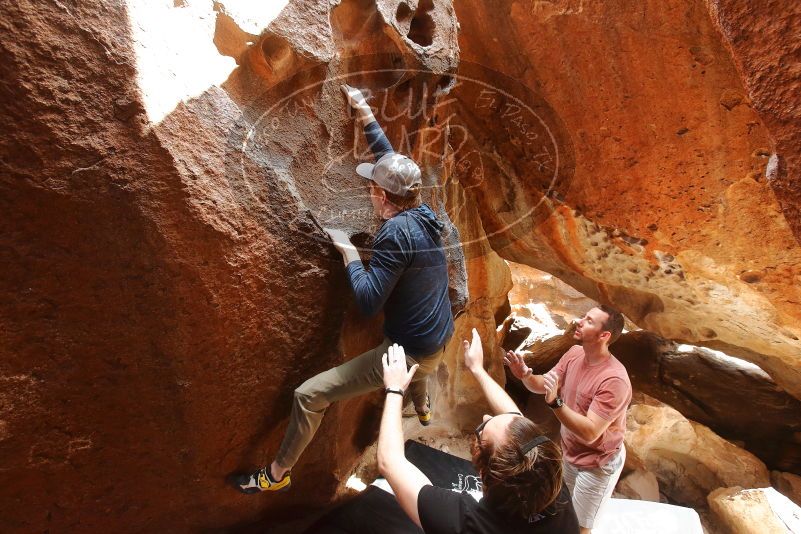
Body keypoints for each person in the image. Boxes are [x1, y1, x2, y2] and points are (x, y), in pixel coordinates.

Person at [233, 84, 454, 493]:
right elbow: (389, 158)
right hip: (439, 333)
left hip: (407, 353)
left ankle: (275, 476)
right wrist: (364, 109)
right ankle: (422, 407)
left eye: (373, 185)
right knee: (426, 364)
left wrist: (349, 252)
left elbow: (369, 301)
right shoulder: (423, 208)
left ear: (379, 194)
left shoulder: (394, 233)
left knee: (308, 394)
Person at [377, 329, 579, 533]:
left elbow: (389, 461)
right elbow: (515, 419)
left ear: (483, 472)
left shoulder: (470, 524)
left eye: (481, 431)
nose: (486, 417)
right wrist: (477, 369)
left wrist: (395, 389)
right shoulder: (549, 483)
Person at [505, 305, 631, 534]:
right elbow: (546, 384)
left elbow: (591, 431)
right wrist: (525, 375)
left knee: (581, 528)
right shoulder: (574, 353)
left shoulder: (614, 380)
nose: (579, 321)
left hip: (598, 463)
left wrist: (555, 403)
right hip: (570, 452)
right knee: (561, 510)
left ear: (604, 336)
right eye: (584, 316)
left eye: (589, 321)